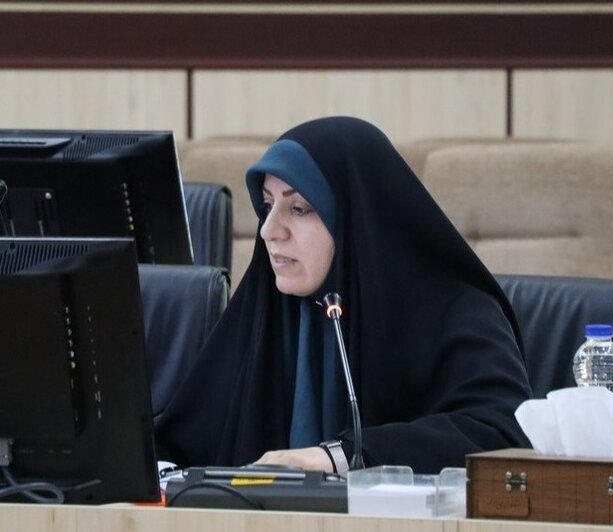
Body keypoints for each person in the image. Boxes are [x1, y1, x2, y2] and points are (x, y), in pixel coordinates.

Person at [155, 116, 532, 475]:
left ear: (356, 217)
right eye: (267, 206)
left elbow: (502, 433)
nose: (269, 230)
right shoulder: (266, 306)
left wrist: (341, 456)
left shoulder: (456, 310)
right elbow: (178, 445)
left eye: (299, 208)